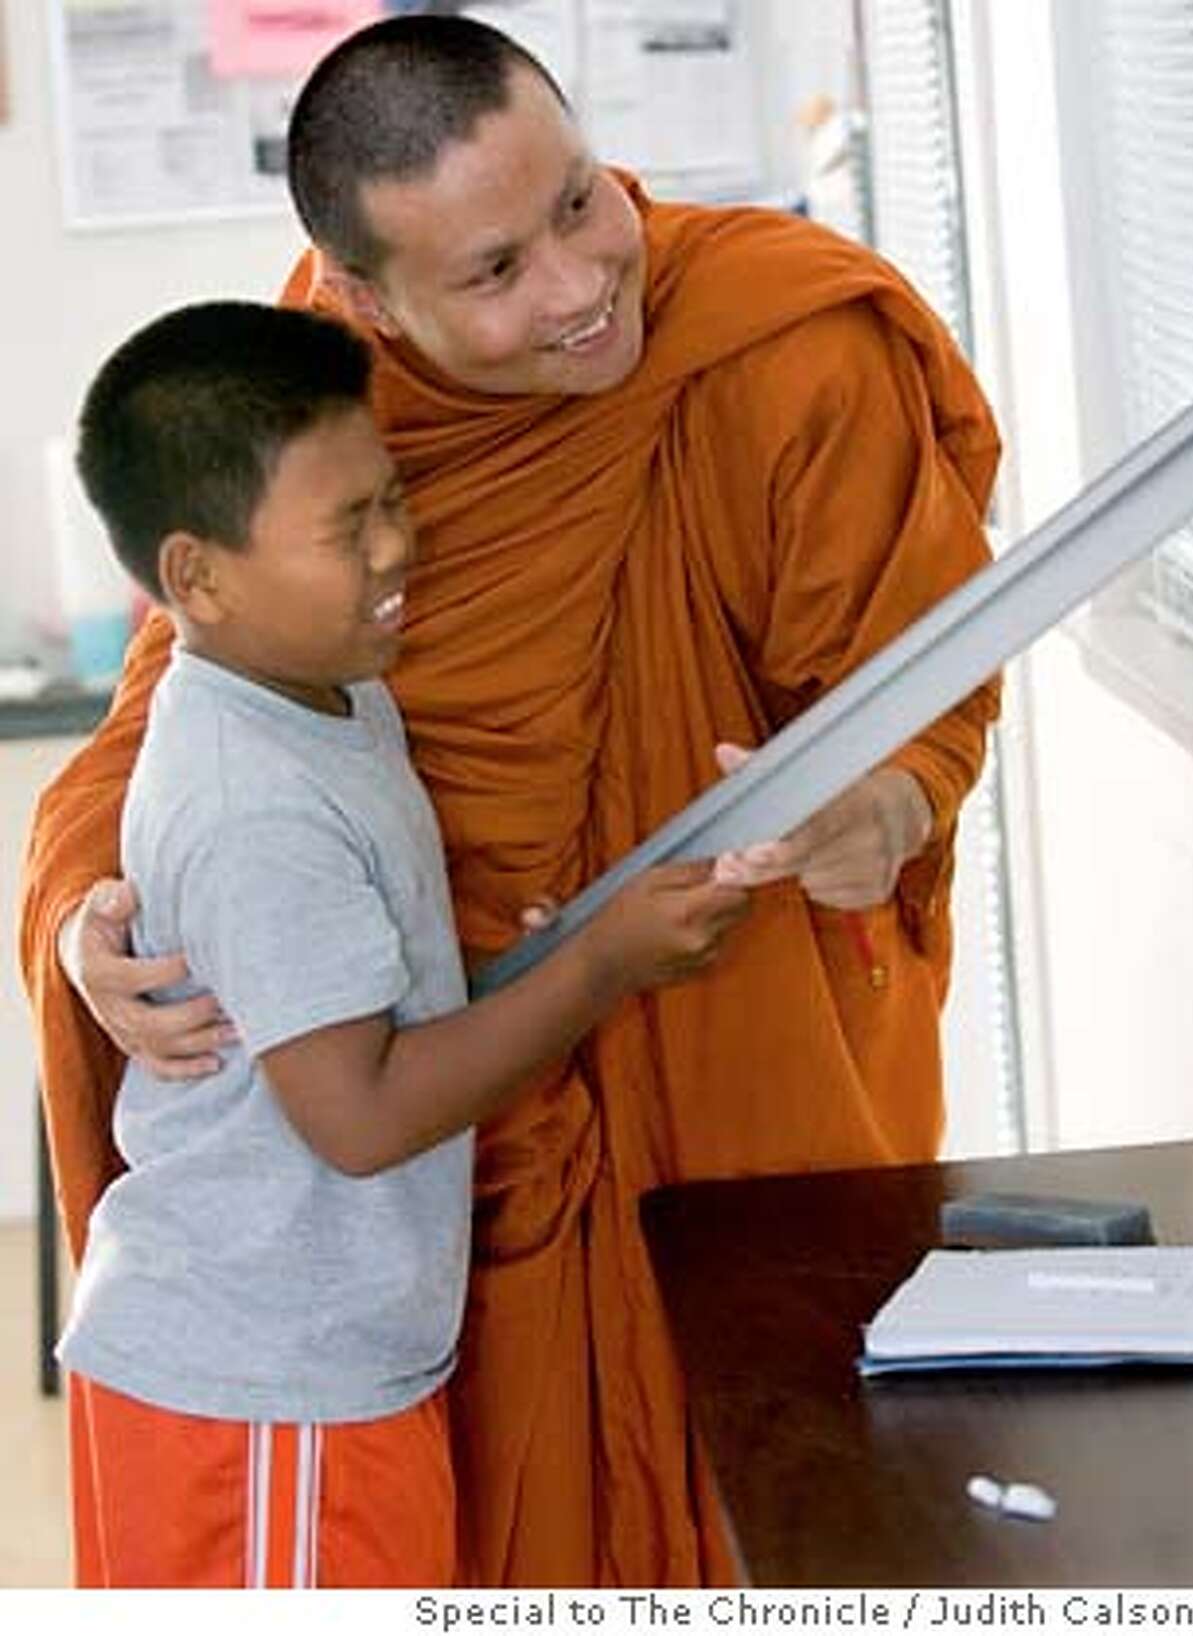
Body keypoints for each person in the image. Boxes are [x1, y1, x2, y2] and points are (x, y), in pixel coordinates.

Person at [21, 14, 1002, 1588]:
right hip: (446, 1145)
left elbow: (925, 693)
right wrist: (89, 924)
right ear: (360, 299)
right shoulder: (319, 403)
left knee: (780, 1510)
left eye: (578, 202)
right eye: (490, 274)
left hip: (741, 1069)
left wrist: (877, 807)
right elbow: (166, 712)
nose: (578, 284)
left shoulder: (784, 338)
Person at [52, 298, 748, 1588]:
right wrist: (597, 974)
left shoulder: (330, 693)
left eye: (392, 501)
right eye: (346, 528)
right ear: (196, 577)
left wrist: (553, 957)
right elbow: (359, 1116)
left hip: (311, 1366)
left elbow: (354, 1015)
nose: (395, 552)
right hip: (260, 1389)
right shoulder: (251, 798)